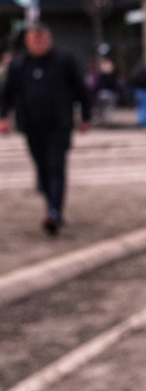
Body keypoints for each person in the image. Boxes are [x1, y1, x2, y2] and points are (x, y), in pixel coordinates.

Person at [0, 23, 92, 235]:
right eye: (35, 40)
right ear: (28, 42)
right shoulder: (19, 64)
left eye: (42, 39)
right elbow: (6, 93)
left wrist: (86, 116)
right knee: (42, 169)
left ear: (49, 40)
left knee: (56, 167)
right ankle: (52, 204)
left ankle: (54, 212)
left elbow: (81, 89)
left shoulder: (64, 61)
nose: (39, 44)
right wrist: (3, 117)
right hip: (31, 125)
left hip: (59, 125)